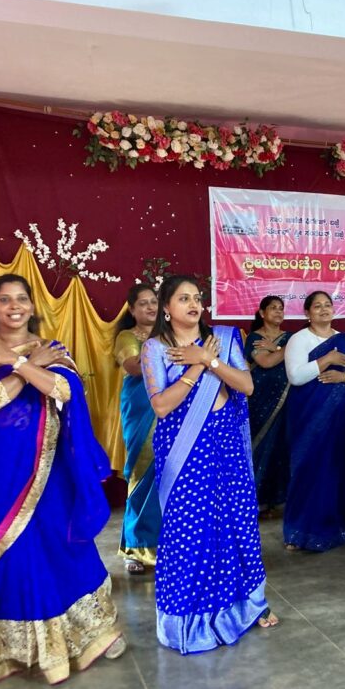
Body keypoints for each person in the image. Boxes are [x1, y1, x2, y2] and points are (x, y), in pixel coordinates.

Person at [0, 274, 124, 684]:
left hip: (50, 471)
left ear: (32, 306)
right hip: (1, 472)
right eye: (5, 300)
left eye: (21, 299)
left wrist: (19, 362)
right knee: (14, 552)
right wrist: (28, 368)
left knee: (61, 543)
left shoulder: (49, 348)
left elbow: (64, 390)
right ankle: (11, 650)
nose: (14, 307)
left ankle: (88, 634)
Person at [141, 275, 277, 654]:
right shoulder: (155, 348)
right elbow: (161, 406)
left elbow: (246, 386)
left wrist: (208, 359)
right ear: (166, 308)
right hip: (184, 449)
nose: (193, 304)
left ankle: (246, 606)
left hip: (226, 443)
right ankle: (187, 619)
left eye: (197, 298)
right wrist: (195, 369)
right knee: (190, 530)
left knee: (236, 521)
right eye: (183, 298)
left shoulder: (224, 338)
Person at [282, 291, 345, 551]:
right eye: (317, 306)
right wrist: (327, 360)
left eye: (328, 305)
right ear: (307, 312)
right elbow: (295, 376)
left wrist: (344, 377)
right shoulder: (298, 340)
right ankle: (301, 531)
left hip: (343, 420)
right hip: (309, 422)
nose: (324, 309)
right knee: (311, 469)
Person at [114, 284, 161, 575]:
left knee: (167, 477)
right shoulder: (127, 336)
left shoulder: (169, 334)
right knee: (141, 474)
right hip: (140, 409)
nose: (150, 307)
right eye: (143, 303)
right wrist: (167, 349)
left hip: (170, 409)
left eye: (154, 302)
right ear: (132, 309)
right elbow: (133, 366)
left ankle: (165, 545)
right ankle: (135, 548)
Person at [245, 295, 292, 517]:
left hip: (287, 400)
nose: (278, 311)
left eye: (281, 308)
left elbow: (302, 359)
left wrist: (277, 347)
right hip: (260, 401)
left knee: (282, 447)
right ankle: (257, 501)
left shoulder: (289, 337)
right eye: (273, 308)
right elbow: (265, 362)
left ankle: (280, 499)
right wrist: (286, 349)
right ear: (262, 313)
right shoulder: (255, 338)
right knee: (261, 446)